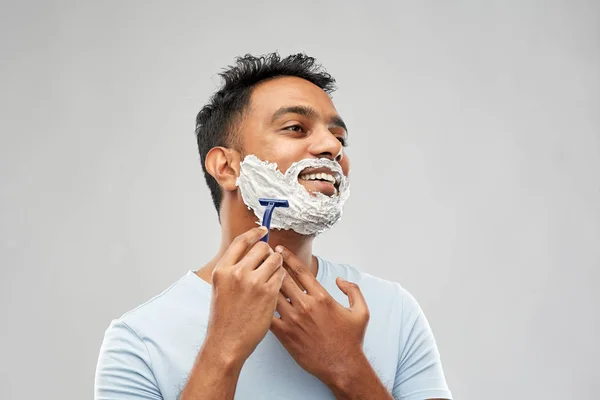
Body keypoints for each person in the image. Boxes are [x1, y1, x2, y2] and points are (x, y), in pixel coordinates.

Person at [94, 53, 452, 400]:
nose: (332, 147)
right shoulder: (139, 340)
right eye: (295, 128)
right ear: (227, 168)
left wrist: (347, 367)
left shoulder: (392, 309)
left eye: (340, 138)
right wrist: (224, 347)